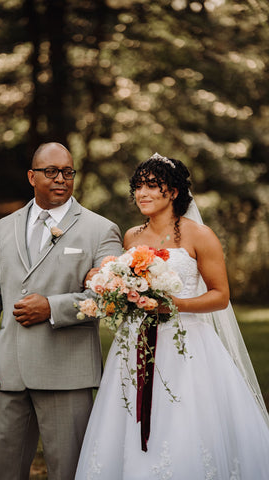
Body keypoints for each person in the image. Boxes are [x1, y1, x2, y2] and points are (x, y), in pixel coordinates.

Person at [75, 153, 269, 479]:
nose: (143, 194)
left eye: (153, 186)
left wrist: (174, 305)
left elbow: (220, 296)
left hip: (187, 345)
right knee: (127, 417)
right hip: (135, 343)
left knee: (183, 420)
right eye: (138, 186)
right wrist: (114, 289)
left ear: (174, 192)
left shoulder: (199, 236)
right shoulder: (131, 237)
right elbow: (130, 286)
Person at [0, 142, 122, 480]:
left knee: (69, 472)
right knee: (2, 472)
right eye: (50, 172)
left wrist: (53, 306)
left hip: (67, 373)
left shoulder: (101, 230)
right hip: (8, 373)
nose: (60, 179)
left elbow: (111, 298)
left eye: (68, 172)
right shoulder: (2, 229)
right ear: (31, 176)